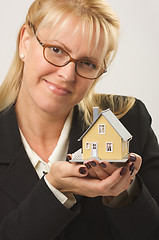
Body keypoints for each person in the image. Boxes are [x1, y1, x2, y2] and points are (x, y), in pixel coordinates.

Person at [0, 0, 159, 239]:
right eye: (56, 49)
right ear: (25, 41)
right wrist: (54, 190)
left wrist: (123, 194)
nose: (66, 75)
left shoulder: (129, 120)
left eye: (87, 63)